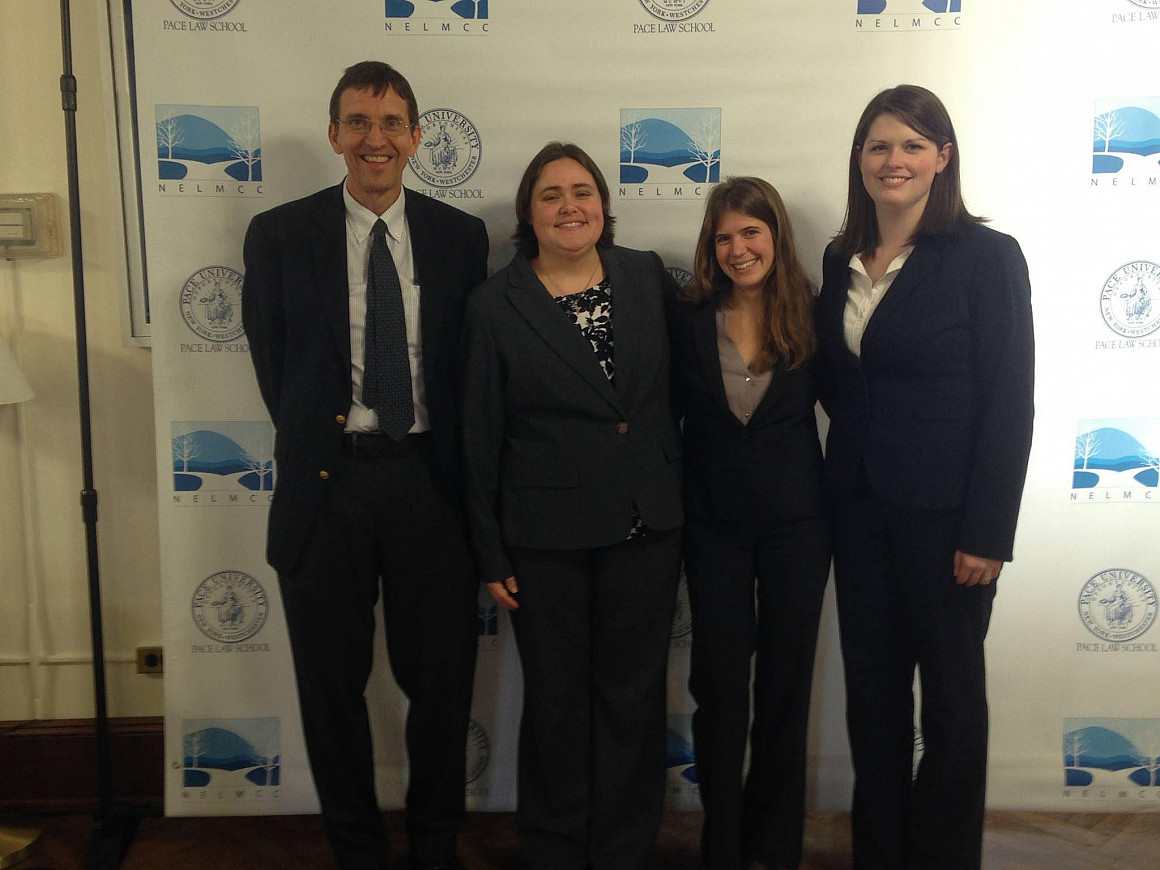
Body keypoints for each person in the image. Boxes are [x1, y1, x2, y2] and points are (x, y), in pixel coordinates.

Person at [242, 61, 488, 870]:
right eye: (358, 122)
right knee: (330, 691)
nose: (374, 139)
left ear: (417, 137)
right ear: (334, 134)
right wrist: (329, 443)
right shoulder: (279, 235)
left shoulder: (460, 236)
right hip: (329, 487)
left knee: (442, 689)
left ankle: (434, 848)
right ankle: (356, 851)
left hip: (430, 486)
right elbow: (277, 368)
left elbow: (464, 369)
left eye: (390, 124)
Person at [815, 85, 1034, 869]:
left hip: (949, 525)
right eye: (879, 146)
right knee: (872, 696)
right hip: (860, 514)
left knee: (949, 702)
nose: (893, 160)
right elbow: (841, 384)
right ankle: (880, 852)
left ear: (942, 158)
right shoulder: (841, 259)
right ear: (860, 162)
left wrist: (988, 533)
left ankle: (941, 856)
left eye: (912, 145)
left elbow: (1011, 400)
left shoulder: (986, 256)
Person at [460, 142, 683, 870]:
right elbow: (478, 437)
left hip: (646, 527)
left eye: (582, 191)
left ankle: (622, 851)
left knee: (634, 700)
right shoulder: (496, 304)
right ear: (529, 211)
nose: (569, 206)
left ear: (604, 205)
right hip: (545, 539)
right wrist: (489, 552)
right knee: (556, 703)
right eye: (551, 194)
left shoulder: (645, 274)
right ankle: (555, 851)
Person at [666, 177, 830, 870]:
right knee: (721, 690)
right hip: (713, 528)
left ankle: (776, 844)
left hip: (799, 526)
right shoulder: (686, 319)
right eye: (724, 236)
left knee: (787, 688)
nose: (738, 248)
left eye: (751, 233)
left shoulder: (817, 315)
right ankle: (724, 844)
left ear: (776, 236)